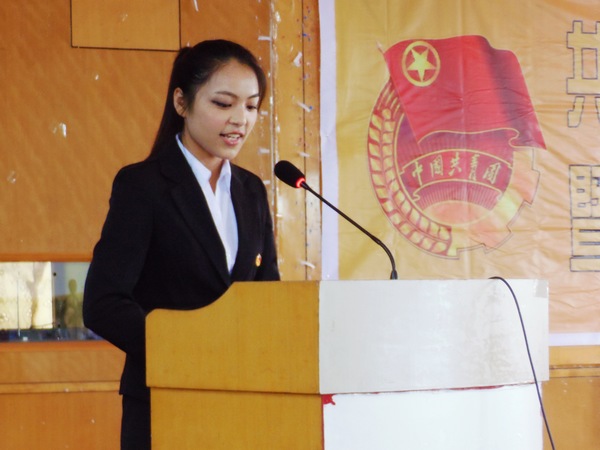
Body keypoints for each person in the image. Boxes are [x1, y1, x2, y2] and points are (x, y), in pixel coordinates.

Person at [83, 39, 280, 450]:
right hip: (164, 398)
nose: (240, 120)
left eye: (251, 106)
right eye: (223, 103)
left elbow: (268, 299)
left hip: (244, 401)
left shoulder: (251, 191)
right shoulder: (143, 186)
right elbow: (104, 302)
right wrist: (188, 352)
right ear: (181, 102)